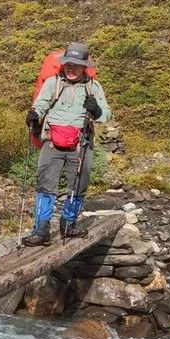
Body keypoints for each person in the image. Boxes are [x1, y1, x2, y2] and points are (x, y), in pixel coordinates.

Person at [23, 42, 111, 246]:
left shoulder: (93, 87)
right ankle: (41, 230)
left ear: (84, 67)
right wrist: (34, 115)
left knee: (78, 185)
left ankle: (69, 224)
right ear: (63, 64)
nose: (71, 69)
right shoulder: (52, 83)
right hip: (52, 141)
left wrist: (96, 111)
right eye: (68, 64)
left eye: (76, 65)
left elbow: (106, 113)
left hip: (81, 143)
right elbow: (41, 103)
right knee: (46, 184)